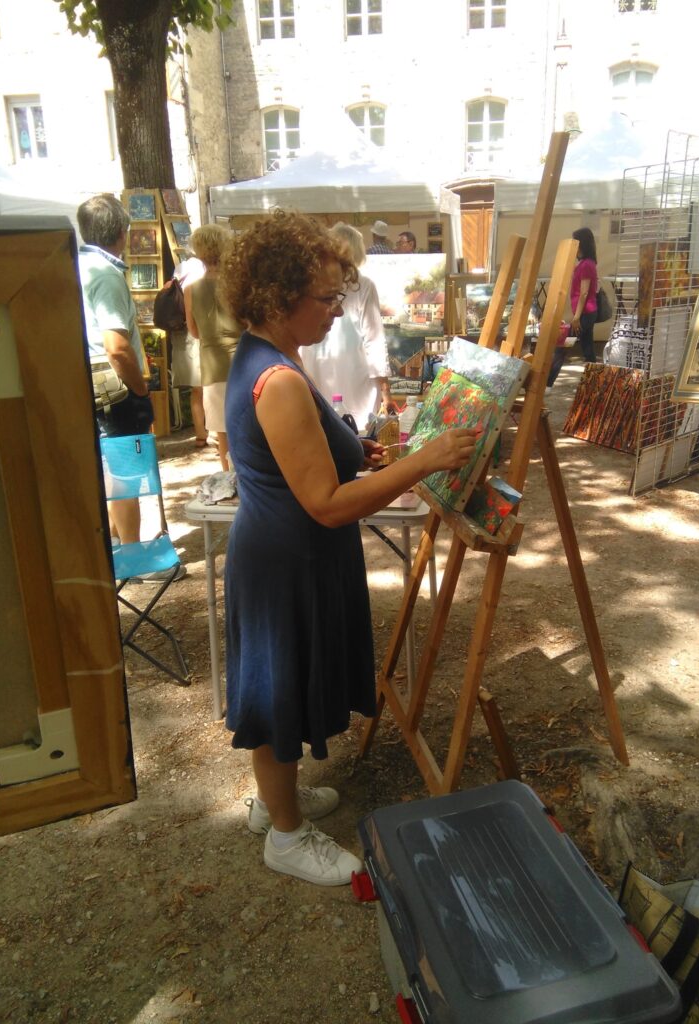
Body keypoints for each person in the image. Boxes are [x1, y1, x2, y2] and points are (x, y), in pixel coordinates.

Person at [220, 210, 478, 886]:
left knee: (283, 684)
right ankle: (285, 835)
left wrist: (353, 448)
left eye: (340, 295)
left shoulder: (271, 356)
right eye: (326, 297)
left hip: (286, 555)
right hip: (286, 564)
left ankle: (276, 800)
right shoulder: (278, 378)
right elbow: (327, 504)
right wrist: (422, 462)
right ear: (280, 296)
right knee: (279, 690)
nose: (338, 309)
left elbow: (299, 452)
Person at [77, 195, 153, 546]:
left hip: (95, 383)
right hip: (115, 388)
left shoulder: (76, 265)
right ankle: (133, 553)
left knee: (111, 473)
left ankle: (116, 546)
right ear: (122, 232)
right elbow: (116, 347)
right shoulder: (106, 275)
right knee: (126, 476)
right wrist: (140, 389)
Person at [301, 222, 393, 431]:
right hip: (355, 372)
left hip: (316, 367)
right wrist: (385, 389)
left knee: (324, 427)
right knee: (357, 431)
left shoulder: (313, 280)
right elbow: (374, 339)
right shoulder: (363, 284)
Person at [184, 224, 244, 472]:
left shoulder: (190, 289)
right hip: (243, 362)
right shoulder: (238, 284)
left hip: (212, 363)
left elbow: (194, 331)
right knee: (250, 425)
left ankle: (228, 478)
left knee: (222, 431)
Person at [171, 252, 209, 449]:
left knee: (196, 390)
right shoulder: (203, 270)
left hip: (184, 335)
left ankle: (200, 434)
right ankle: (215, 432)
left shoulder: (180, 270)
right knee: (210, 387)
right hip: (200, 332)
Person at [569, 226, 598, 365]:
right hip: (586, 311)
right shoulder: (585, 263)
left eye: (575, 242)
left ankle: (550, 375)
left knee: (564, 338)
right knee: (587, 344)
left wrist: (576, 317)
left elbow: (584, 292)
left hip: (585, 312)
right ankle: (591, 366)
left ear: (581, 244)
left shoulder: (586, 264)